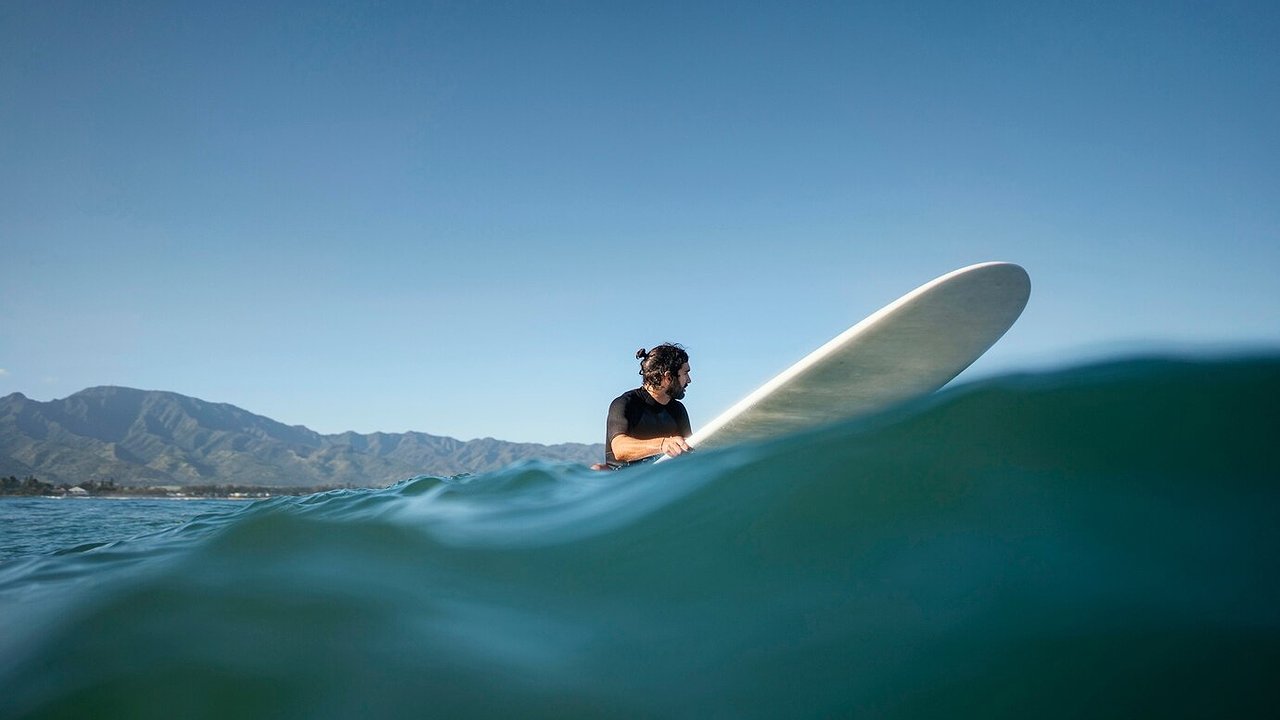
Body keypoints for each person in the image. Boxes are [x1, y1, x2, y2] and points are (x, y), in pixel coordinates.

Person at [599, 343, 693, 469]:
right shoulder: (626, 403)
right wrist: (663, 444)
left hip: (660, 477)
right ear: (668, 377)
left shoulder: (678, 410)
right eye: (685, 373)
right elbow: (620, 448)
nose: (689, 380)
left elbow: (690, 450)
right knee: (598, 469)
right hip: (622, 479)